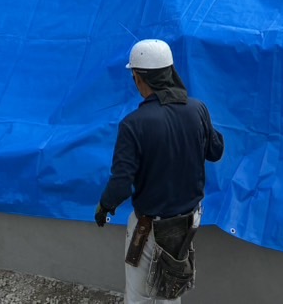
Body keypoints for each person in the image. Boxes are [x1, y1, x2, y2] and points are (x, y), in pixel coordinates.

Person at [95, 39, 224, 304]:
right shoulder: (197, 108)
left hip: (151, 228)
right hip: (187, 222)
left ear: (138, 77)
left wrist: (105, 207)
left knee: (140, 295)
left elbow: (121, 183)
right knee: (171, 288)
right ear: (170, 72)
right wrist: (201, 123)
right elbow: (216, 151)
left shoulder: (133, 124)